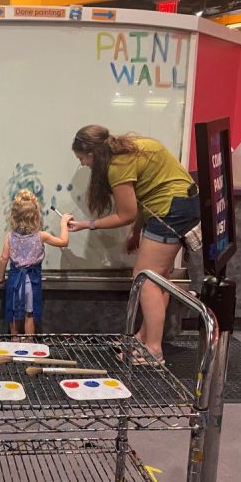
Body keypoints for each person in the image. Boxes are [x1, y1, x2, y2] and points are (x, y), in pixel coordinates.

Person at [68, 125, 200, 365]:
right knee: (160, 278)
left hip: (170, 211)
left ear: (93, 153)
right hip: (181, 205)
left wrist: (88, 224)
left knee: (145, 278)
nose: (83, 165)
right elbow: (147, 194)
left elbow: (126, 214)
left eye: (82, 159)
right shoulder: (132, 147)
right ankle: (144, 337)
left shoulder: (117, 167)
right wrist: (137, 231)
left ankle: (153, 350)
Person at [0, 189, 72, 339]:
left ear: (13, 216)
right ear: (37, 217)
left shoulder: (10, 237)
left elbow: (3, 258)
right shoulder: (41, 236)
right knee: (29, 314)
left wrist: (1, 278)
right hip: (32, 282)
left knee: (12, 311)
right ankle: (29, 341)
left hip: (15, 280)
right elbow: (64, 241)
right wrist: (63, 223)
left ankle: (14, 338)